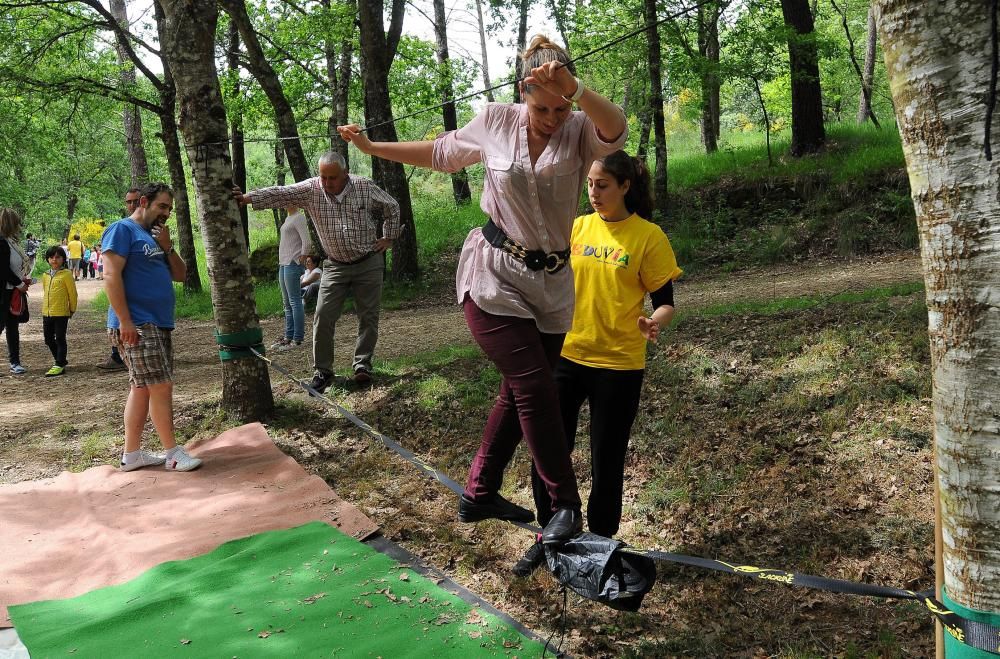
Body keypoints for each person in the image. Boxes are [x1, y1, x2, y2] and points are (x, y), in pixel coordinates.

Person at [337, 35, 627, 545]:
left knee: (517, 394)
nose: (553, 118)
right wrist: (370, 147)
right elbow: (441, 154)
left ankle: (479, 490)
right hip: (492, 274)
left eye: (561, 108)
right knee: (537, 386)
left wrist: (574, 91)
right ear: (523, 92)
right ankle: (564, 503)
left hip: (552, 284)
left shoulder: (580, 128)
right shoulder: (496, 119)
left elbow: (616, 129)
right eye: (543, 107)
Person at [513, 150, 682, 576]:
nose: (593, 193)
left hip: (619, 366)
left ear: (625, 186)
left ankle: (600, 550)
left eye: (602, 185)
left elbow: (665, 302)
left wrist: (653, 323)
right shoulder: (576, 228)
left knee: (608, 460)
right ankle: (549, 537)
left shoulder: (648, 236)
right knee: (550, 455)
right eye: (589, 184)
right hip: (566, 357)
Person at [233, 152, 401, 388]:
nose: (327, 182)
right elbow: (282, 193)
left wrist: (389, 237)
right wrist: (248, 198)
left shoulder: (364, 186)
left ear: (345, 173)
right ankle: (323, 371)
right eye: (323, 176)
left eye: (332, 177)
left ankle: (362, 365)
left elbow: (391, 206)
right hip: (334, 265)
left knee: (368, 316)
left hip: (368, 262)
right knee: (323, 316)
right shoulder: (311, 190)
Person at [102, 182, 202, 472]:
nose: (166, 213)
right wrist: (125, 321)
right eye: (162, 206)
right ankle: (172, 452)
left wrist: (168, 247)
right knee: (161, 385)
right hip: (138, 322)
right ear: (143, 202)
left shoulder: (154, 237)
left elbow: (181, 275)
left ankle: (131, 455)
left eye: (170, 208)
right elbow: (110, 275)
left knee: (143, 388)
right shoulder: (122, 229)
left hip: (158, 323)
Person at [97, 188, 140, 371]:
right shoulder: (120, 228)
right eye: (128, 202)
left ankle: (119, 356)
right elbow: (111, 271)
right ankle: (117, 355)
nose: (132, 205)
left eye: (135, 201)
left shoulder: (148, 229)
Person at [271, 205, 311, 351]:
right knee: (287, 303)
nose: (284, 202)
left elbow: (307, 241)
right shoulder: (289, 217)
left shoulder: (299, 217)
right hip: (284, 263)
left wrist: (302, 257)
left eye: (287, 199)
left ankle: (297, 339)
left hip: (292, 263)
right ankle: (288, 337)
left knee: (294, 301)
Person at [1, 209, 32, 377]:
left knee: (13, 328)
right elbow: (3, 269)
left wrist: (22, 281)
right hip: (4, 293)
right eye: (17, 223)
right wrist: (19, 283)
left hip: (12, 292)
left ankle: (15, 362)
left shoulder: (12, 242)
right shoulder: (1, 242)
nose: (20, 226)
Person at [40, 245, 78, 376]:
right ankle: (60, 361)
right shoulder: (45, 275)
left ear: (63, 259)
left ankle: (59, 363)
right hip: (47, 312)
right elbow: (46, 292)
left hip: (61, 313)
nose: (54, 260)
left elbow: (72, 294)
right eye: (51, 257)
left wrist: (72, 308)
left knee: (60, 338)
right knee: (48, 339)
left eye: (57, 257)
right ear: (48, 259)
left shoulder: (67, 274)